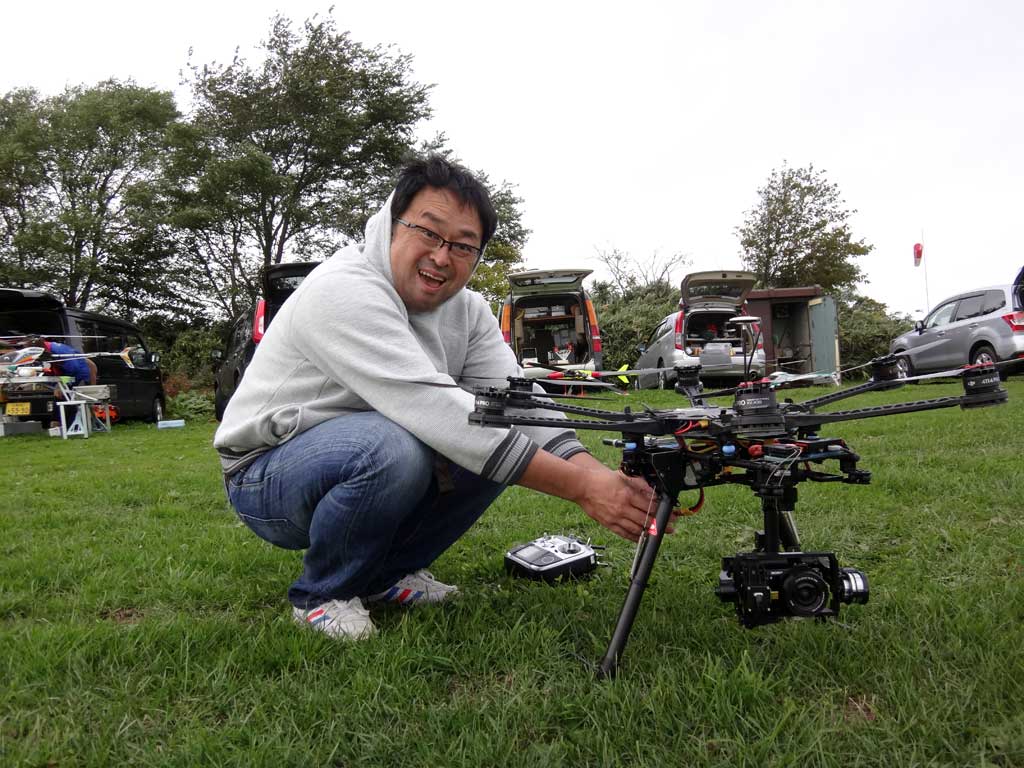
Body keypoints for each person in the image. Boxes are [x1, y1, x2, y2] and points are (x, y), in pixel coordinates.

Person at [214, 155, 659, 640]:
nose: (442, 257)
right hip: (264, 473)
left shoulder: (468, 311)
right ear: (392, 224)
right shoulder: (342, 290)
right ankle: (322, 594)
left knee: (487, 430)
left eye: (463, 245)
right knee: (394, 446)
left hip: (367, 446)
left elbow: (516, 401)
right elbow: (435, 410)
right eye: (429, 232)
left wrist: (599, 477)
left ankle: (386, 576)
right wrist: (583, 490)